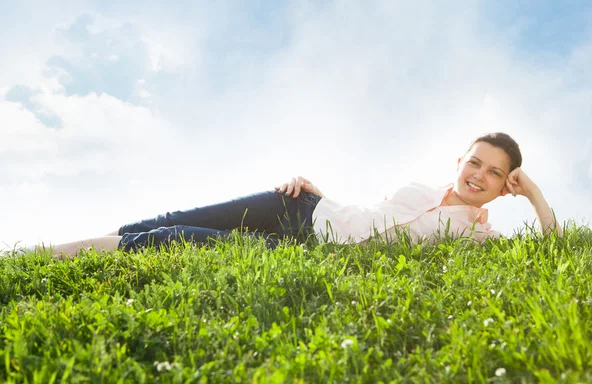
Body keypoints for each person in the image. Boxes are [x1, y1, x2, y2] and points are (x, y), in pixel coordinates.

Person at [8, 132, 562, 259]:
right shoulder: (422, 186)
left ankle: (44, 259)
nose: (477, 175)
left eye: (494, 173)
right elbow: (370, 216)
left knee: (174, 237)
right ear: (459, 160)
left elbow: (551, 251)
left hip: (302, 249)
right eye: (473, 161)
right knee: (174, 215)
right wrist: (318, 191)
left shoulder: (479, 235)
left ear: (503, 185)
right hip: (301, 207)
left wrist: (533, 193)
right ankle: (37, 258)